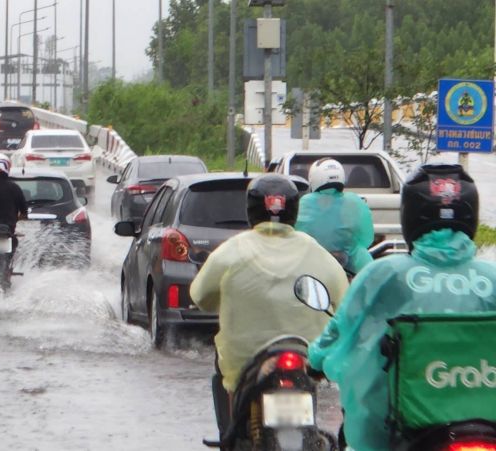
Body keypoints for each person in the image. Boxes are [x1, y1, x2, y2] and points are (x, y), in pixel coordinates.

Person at [308, 164, 496, 451]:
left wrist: (316, 361)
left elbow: (341, 328)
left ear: (410, 214)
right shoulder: (490, 277)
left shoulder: (385, 274)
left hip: (400, 432)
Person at [190, 173, 349, 420]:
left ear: (251, 210)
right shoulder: (316, 251)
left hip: (245, 363)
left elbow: (200, 296)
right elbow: (344, 305)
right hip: (305, 359)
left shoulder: (232, 249)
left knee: (225, 378)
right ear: (294, 210)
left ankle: (230, 433)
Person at [295, 158, 374, 275]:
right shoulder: (354, 201)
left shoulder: (305, 202)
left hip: (313, 269)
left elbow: (296, 237)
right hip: (352, 267)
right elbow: (367, 238)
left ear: (314, 179)